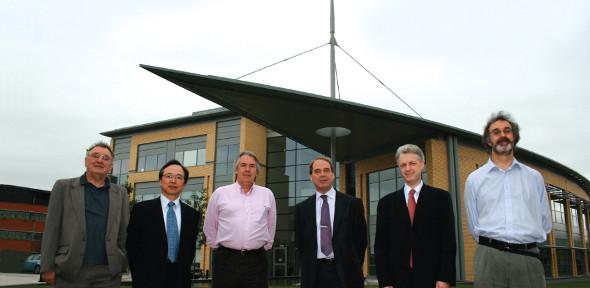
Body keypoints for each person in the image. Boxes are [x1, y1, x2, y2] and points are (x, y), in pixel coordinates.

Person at [465, 111, 551, 288]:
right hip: (489, 259)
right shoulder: (475, 179)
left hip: (528, 260)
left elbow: (545, 221)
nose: (502, 135)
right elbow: (474, 225)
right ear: (488, 140)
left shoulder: (534, 177)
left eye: (507, 130)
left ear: (514, 136)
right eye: (496, 132)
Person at [40, 142, 129, 287]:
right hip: (69, 270)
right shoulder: (63, 187)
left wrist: (121, 261)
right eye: (95, 156)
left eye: (106, 158)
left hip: (108, 273)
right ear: (86, 161)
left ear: (111, 167)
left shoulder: (121, 193)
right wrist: (47, 267)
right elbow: (51, 229)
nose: (100, 160)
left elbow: (124, 231)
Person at [374, 144, 456, 288]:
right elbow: (381, 247)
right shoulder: (386, 203)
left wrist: (445, 277)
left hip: (432, 278)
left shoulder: (441, 198)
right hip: (397, 279)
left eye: (412, 163)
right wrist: (385, 282)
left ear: (422, 164)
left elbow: (448, 242)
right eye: (403, 165)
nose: (407, 168)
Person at [203, 151, 276, 288]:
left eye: (252, 166)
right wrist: (217, 247)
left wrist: (266, 244)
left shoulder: (267, 194)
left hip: (256, 261)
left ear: (257, 171)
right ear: (236, 169)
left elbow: (271, 225)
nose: (247, 169)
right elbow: (209, 225)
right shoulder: (220, 193)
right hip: (226, 261)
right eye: (243, 165)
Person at [295, 156, 367, 288]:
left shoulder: (352, 204)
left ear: (333, 174)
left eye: (326, 170)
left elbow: (361, 241)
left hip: (346, 274)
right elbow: (301, 244)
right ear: (311, 176)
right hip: (314, 275)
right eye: (317, 171)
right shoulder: (302, 209)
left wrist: (353, 264)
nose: (322, 174)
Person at [126, 160, 200, 288]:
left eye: (179, 177)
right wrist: (138, 275)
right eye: (168, 176)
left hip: (180, 281)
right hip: (147, 280)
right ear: (160, 180)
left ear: (184, 183)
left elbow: (190, 250)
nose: (173, 181)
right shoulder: (141, 210)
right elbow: (131, 246)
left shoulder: (192, 214)